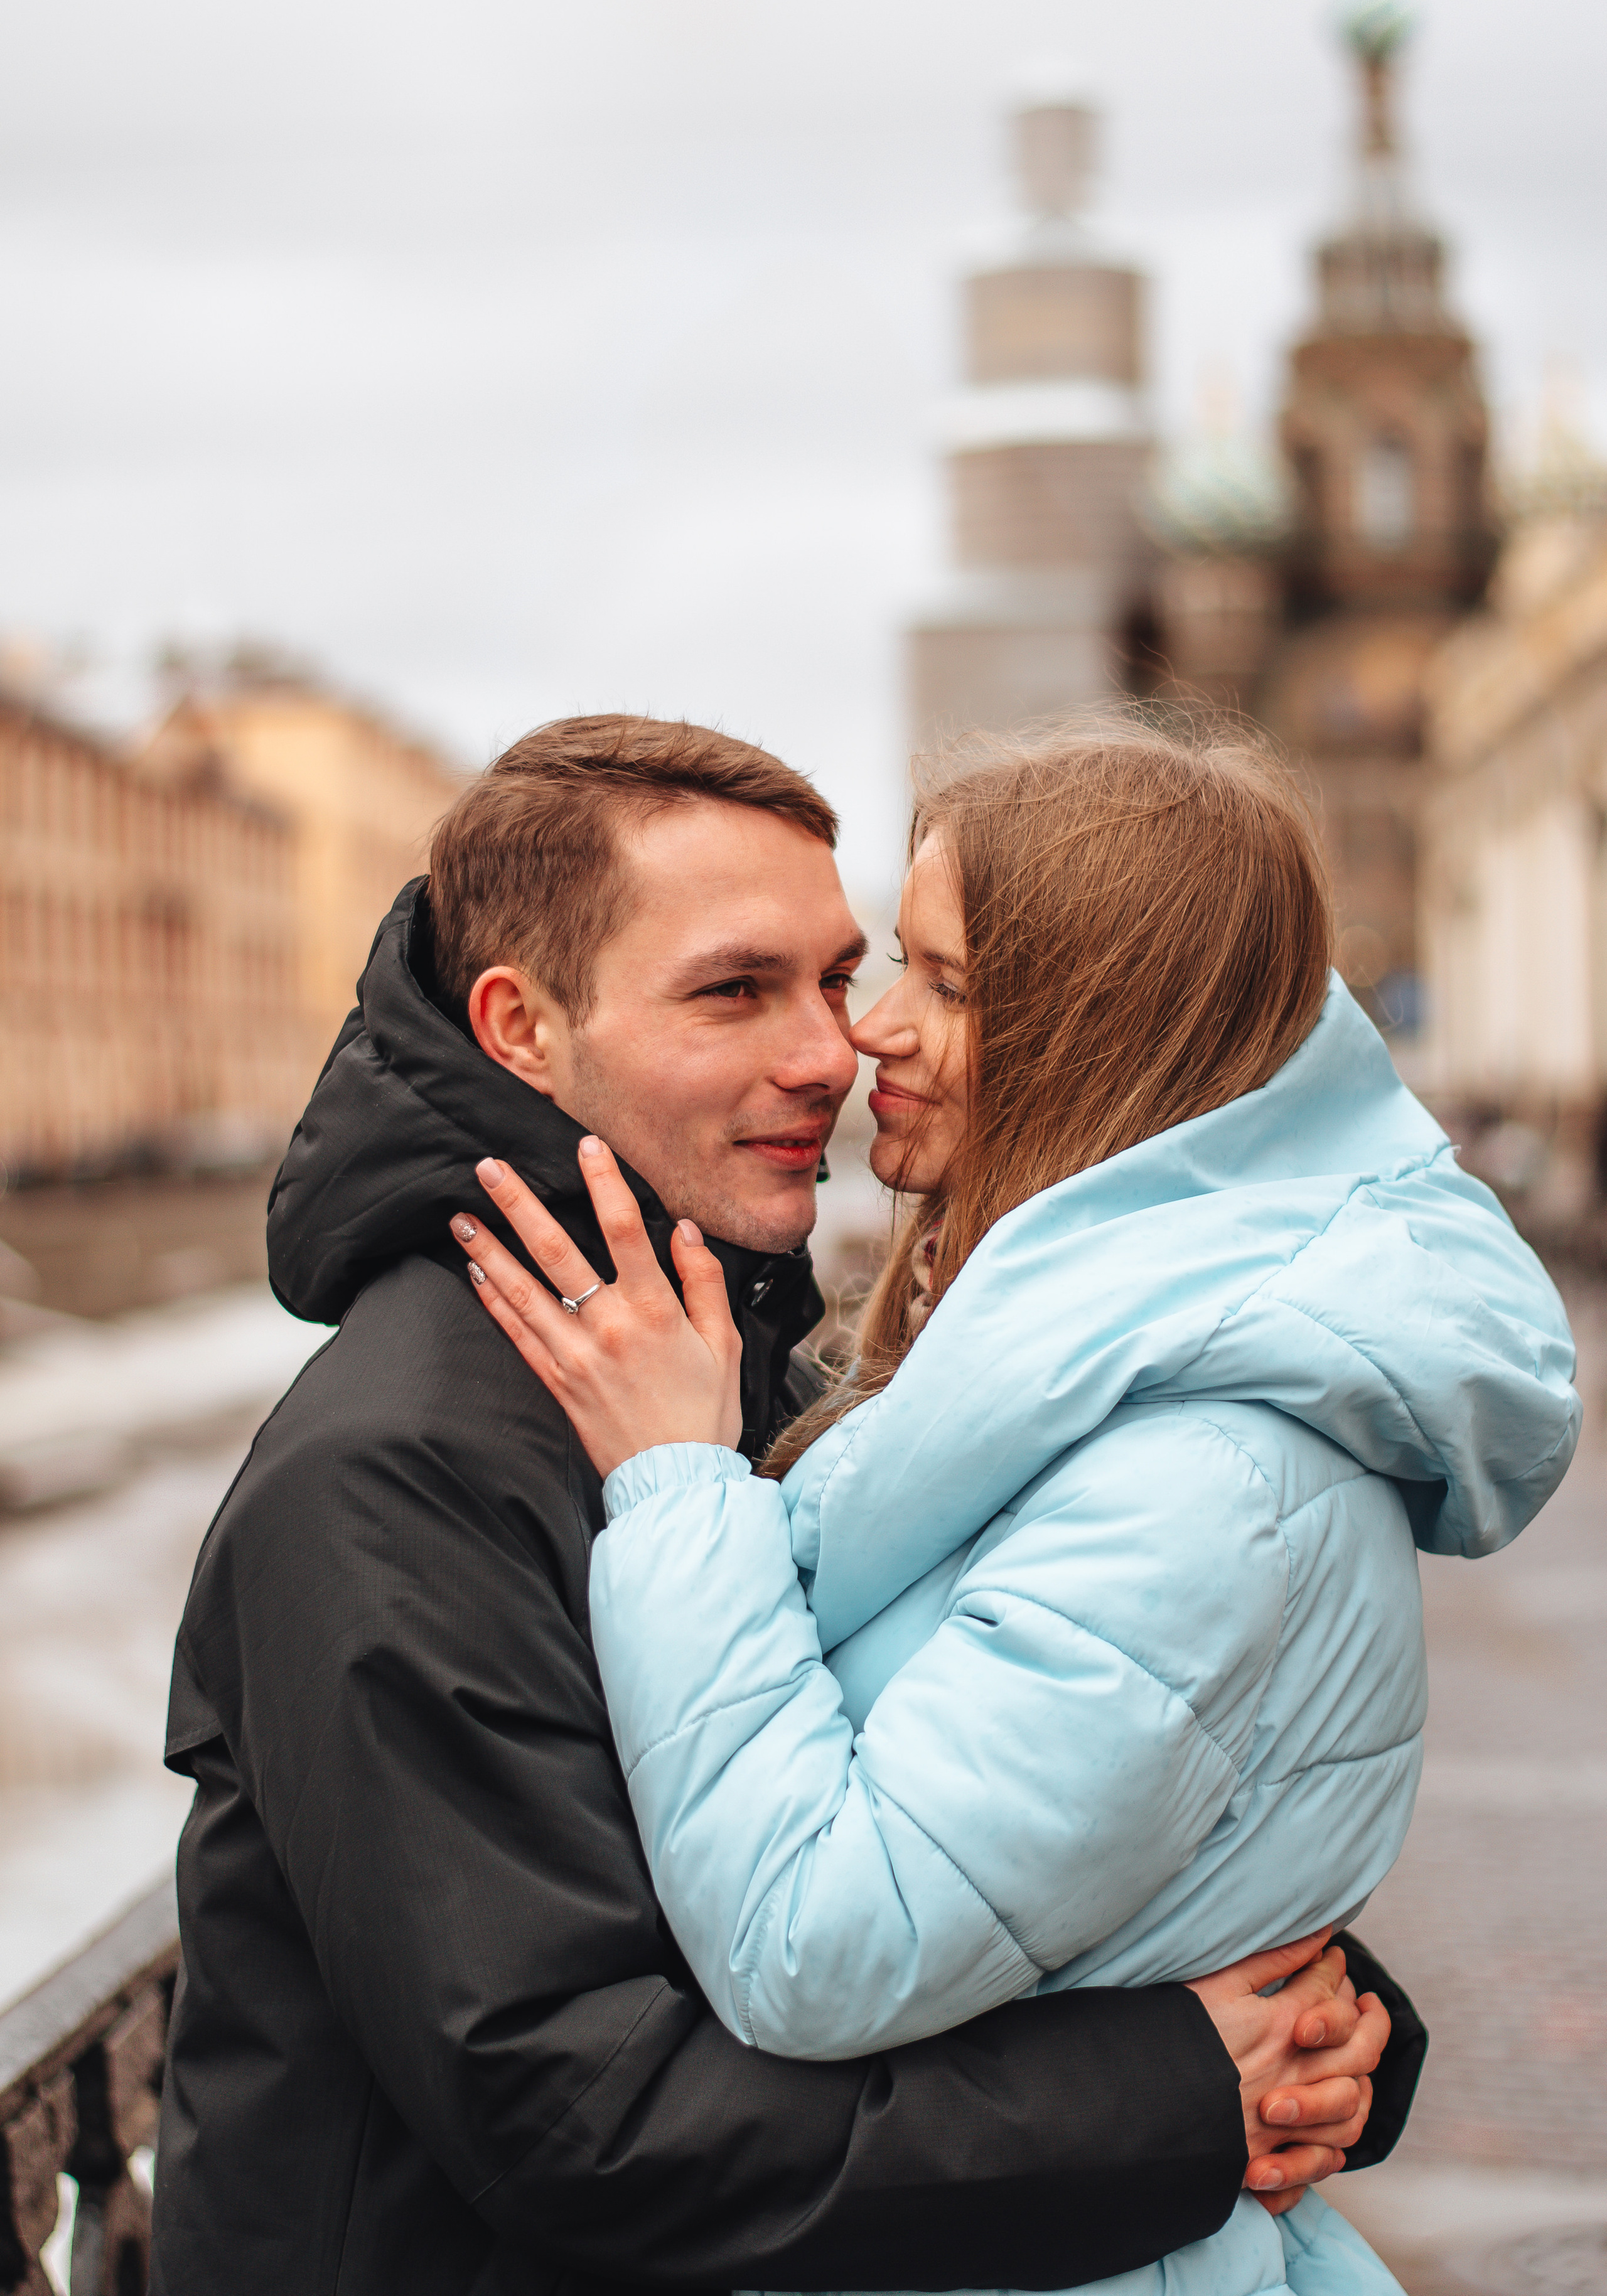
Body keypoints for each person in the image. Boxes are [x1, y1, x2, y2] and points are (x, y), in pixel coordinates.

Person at [153, 716, 1409, 2296]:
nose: (834, 1049)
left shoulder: (718, 1364)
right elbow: (577, 2107)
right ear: (521, 1029)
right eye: (732, 990)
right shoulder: (396, 1470)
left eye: (838, 974)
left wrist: (1320, 2026)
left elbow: (993, 1817)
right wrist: (1175, 2097)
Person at [449, 722, 1581, 2296]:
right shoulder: (1051, 1386)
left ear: (1109, 1034)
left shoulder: (1199, 1475)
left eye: (949, 984)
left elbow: (814, 1943)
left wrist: (678, 1487)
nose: (869, 1041)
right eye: (888, 972)